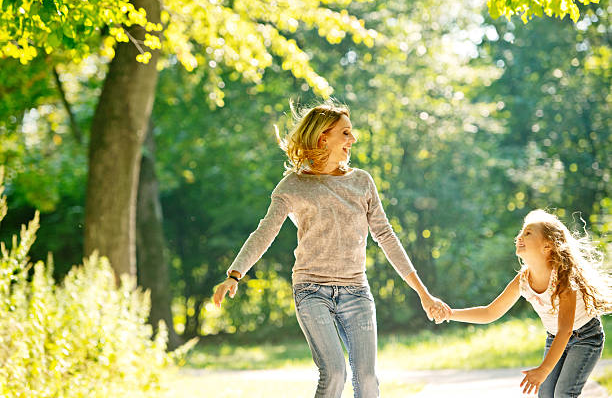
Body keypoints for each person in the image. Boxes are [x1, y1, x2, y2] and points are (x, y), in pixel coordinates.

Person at [212, 100, 450, 398]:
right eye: (346, 133)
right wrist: (234, 275)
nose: (354, 139)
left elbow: (386, 237)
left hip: (356, 290)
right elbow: (264, 232)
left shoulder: (362, 182)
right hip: (311, 290)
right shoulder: (293, 186)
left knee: (366, 379)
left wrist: (423, 293)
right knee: (335, 372)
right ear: (323, 137)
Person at [441, 209, 610, 397]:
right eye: (521, 232)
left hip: (586, 337)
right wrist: (450, 313)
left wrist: (543, 370)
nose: (520, 236)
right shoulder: (522, 280)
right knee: (546, 394)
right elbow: (490, 312)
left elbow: (565, 330)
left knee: (564, 393)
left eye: (528, 233)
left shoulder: (563, 277)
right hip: (555, 338)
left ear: (548, 246)